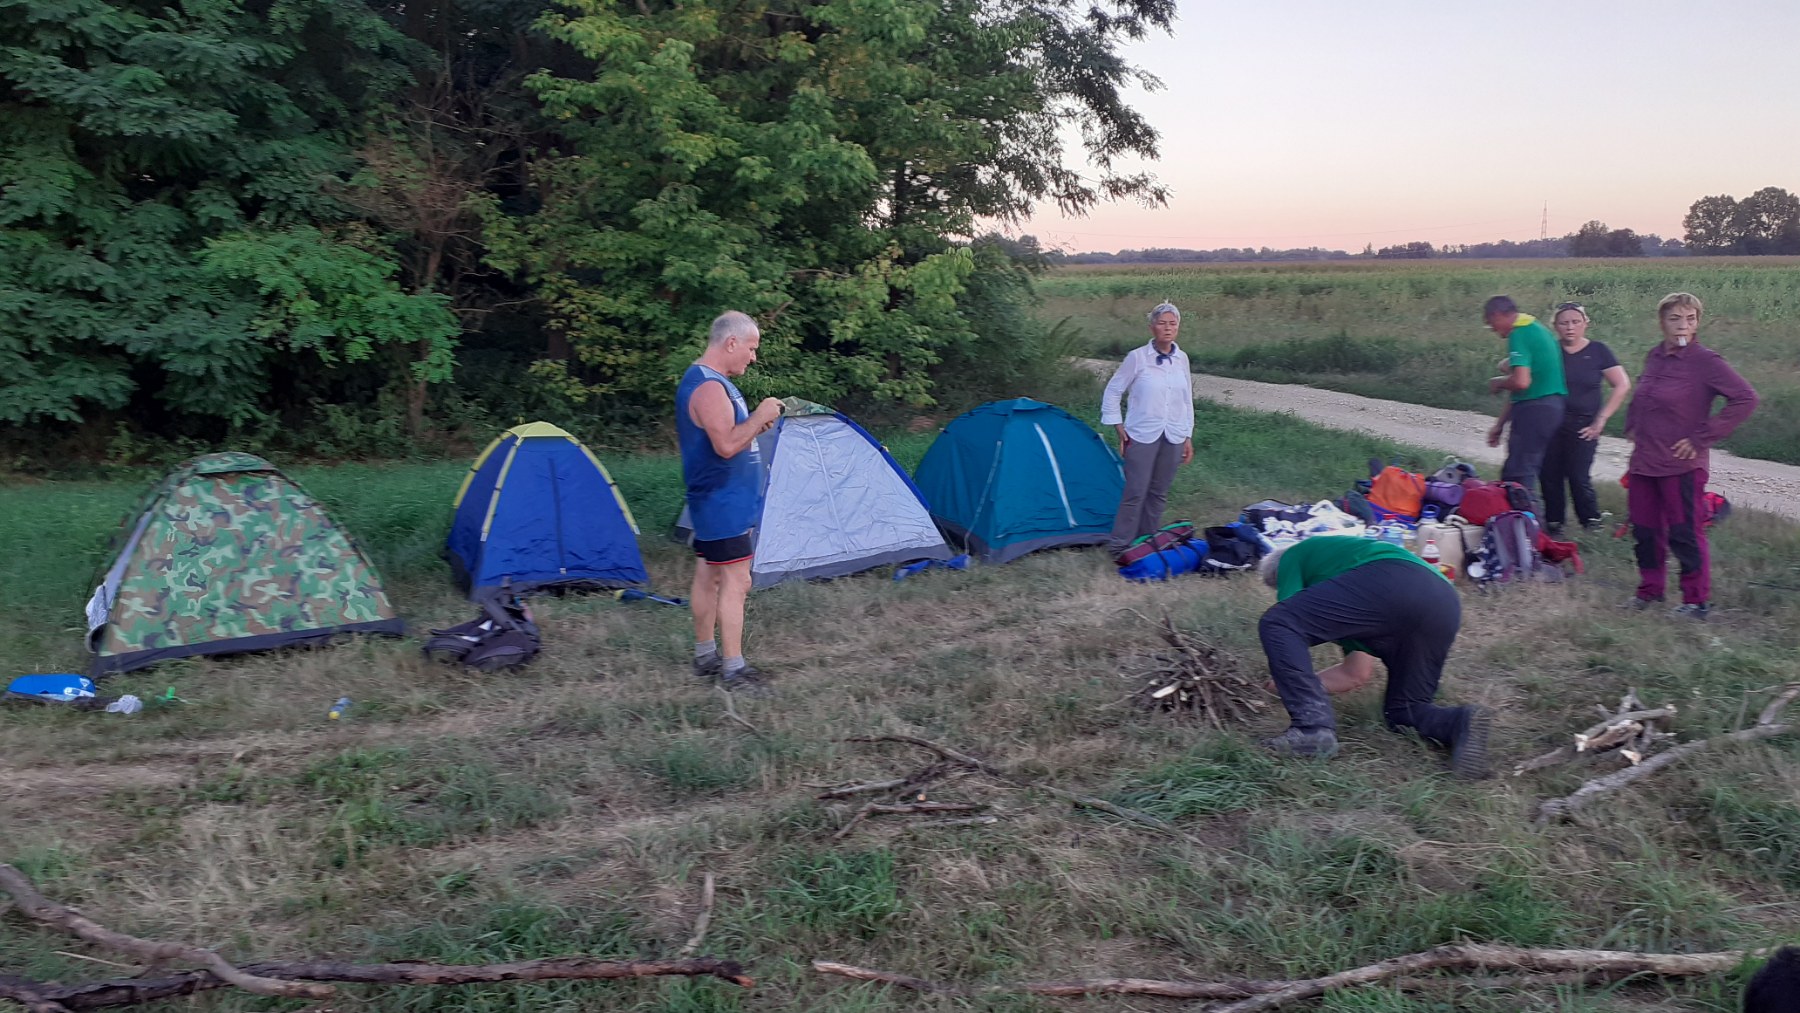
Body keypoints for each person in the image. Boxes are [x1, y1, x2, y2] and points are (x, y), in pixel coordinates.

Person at [1256, 537, 1491, 779]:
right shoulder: (1352, 597)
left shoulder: (1292, 557)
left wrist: (1288, 679)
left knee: (1278, 622)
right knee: (1404, 712)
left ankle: (1311, 729)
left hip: (1391, 578)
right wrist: (1290, 684)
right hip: (1443, 601)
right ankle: (1459, 722)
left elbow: (1287, 621)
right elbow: (1354, 674)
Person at [1622, 292, 1757, 620]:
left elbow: (1745, 398)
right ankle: (1650, 591)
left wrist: (1702, 438)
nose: (1683, 326)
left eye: (1690, 319)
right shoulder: (1654, 356)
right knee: (1645, 530)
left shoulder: (1705, 361)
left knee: (1684, 532)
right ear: (1662, 322)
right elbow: (1643, 395)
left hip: (1681, 464)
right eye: (1675, 319)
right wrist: (1632, 424)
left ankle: (1696, 601)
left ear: (1697, 322)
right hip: (1644, 461)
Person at [677, 311, 784, 690]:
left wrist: (754, 424)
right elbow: (725, 445)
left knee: (709, 574)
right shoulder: (708, 387)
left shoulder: (715, 383)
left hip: (719, 501)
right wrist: (759, 416)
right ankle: (734, 670)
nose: (753, 357)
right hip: (722, 504)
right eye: (752, 348)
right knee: (736, 582)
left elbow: (729, 435)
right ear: (731, 343)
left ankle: (706, 655)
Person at [1100, 302, 1195, 558]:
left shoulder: (1181, 358)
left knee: (1158, 492)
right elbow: (1113, 391)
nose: (1167, 328)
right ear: (1152, 326)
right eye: (1162, 323)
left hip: (1173, 434)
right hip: (1141, 434)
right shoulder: (1137, 358)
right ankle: (1120, 546)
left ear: (1178, 327)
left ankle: (1147, 542)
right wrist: (1119, 428)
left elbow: (1187, 399)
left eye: (1172, 323)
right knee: (1135, 491)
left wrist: (1187, 436)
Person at [1534, 302, 1632, 535]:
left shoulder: (1598, 351)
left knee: (1578, 476)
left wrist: (1601, 420)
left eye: (1576, 322)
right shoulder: (1550, 350)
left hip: (1584, 426)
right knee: (1549, 475)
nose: (1570, 327)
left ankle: (1591, 522)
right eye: (1564, 323)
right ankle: (1554, 524)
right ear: (1555, 326)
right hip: (1550, 425)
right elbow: (1516, 367)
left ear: (1585, 323)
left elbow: (1621, 384)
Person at [1482, 295, 1567, 508]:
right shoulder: (1534, 327)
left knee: (1519, 477)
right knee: (1517, 470)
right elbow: (1520, 394)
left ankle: (1528, 531)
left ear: (1498, 315)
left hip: (1537, 409)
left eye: (1491, 323)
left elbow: (1520, 382)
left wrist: (1498, 383)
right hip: (1546, 406)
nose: (1492, 329)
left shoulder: (1519, 333)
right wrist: (1500, 425)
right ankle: (1519, 526)